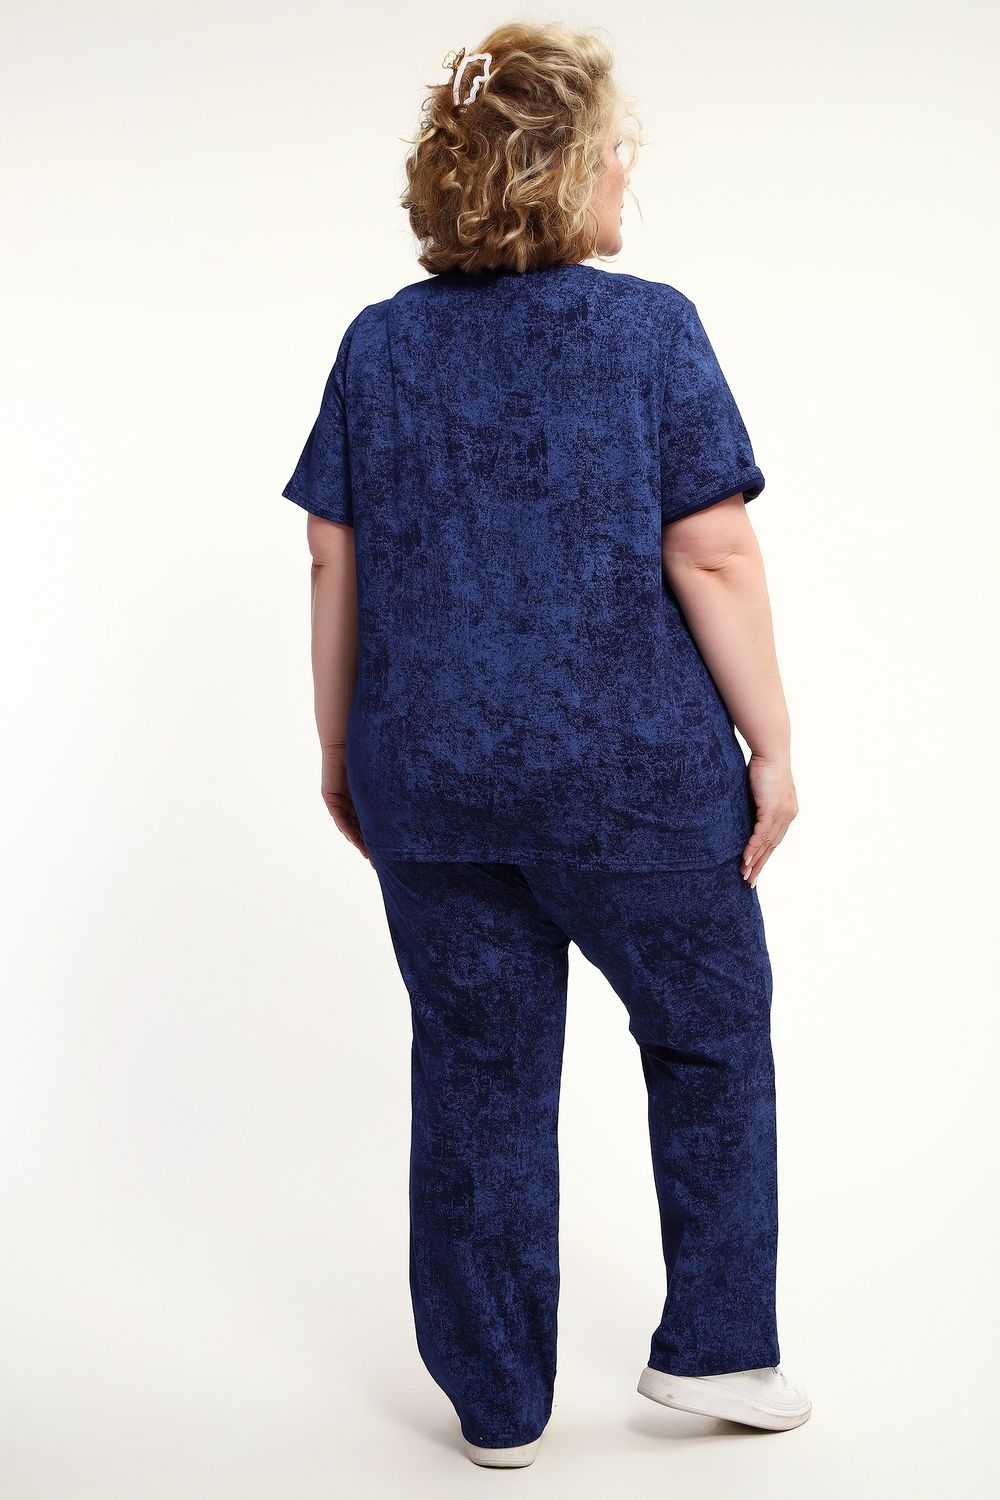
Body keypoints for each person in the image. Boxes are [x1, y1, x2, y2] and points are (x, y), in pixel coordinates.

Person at [279, 20, 811, 1470]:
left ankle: (498, 1404)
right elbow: (712, 552)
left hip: (427, 776)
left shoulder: (380, 344)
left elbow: (333, 559)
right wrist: (770, 746)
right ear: (562, 169)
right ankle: (720, 1348)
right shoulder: (651, 330)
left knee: (476, 1072)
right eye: (615, 144)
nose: (631, 166)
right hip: (634, 780)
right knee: (706, 1034)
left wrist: (340, 747)